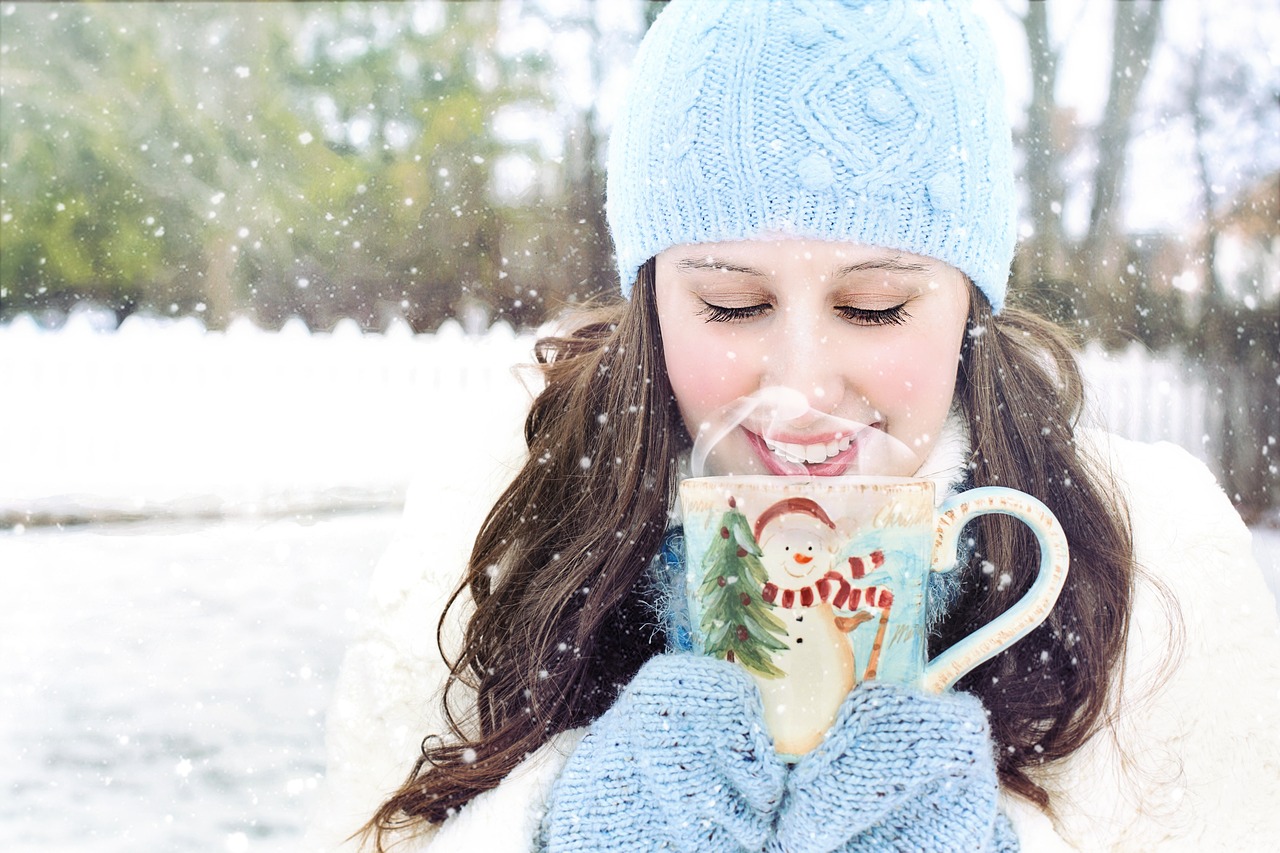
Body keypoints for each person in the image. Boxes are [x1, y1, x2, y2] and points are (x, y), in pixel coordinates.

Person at [308, 1, 1280, 850]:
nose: (802, 385)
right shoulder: (500, 531)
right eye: (730, 305)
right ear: (649, 301)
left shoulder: (1153, 570)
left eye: (873, 308)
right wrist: (547, 826)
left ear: (967, 308)